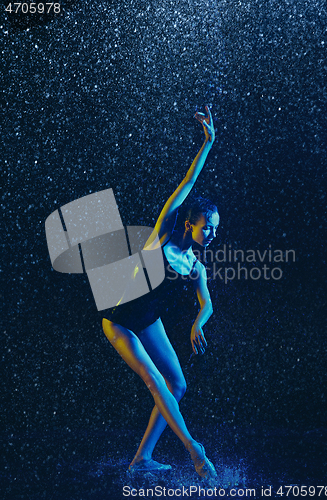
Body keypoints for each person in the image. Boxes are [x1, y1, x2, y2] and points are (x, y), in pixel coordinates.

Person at [102, 106, 219, 479]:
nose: (213, 235)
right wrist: (208, 142)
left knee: (178, 383)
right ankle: (194, 450)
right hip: (120, 320)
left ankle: (142, 458)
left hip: (147, 321)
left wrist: (198, 321)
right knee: (156, 381)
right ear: (189, 223)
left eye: (216, 229)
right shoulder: (164, 234)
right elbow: (187, 181)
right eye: (208, 228)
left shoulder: (196, 267)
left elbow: (208, 302)